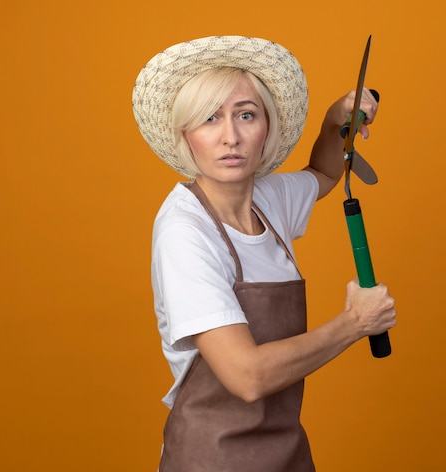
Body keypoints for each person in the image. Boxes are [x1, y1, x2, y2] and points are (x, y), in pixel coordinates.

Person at [132, 36, 397, 472]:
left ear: (267, 129)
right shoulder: (185, 230)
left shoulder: (266, 200)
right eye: (210, 118)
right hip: (211, 461)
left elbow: (326, 172)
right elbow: (247, 376)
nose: (230, 137)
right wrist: (355, 323)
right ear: (186, 133)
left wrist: (334, 121)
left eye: (246, 115)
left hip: (286, 453)